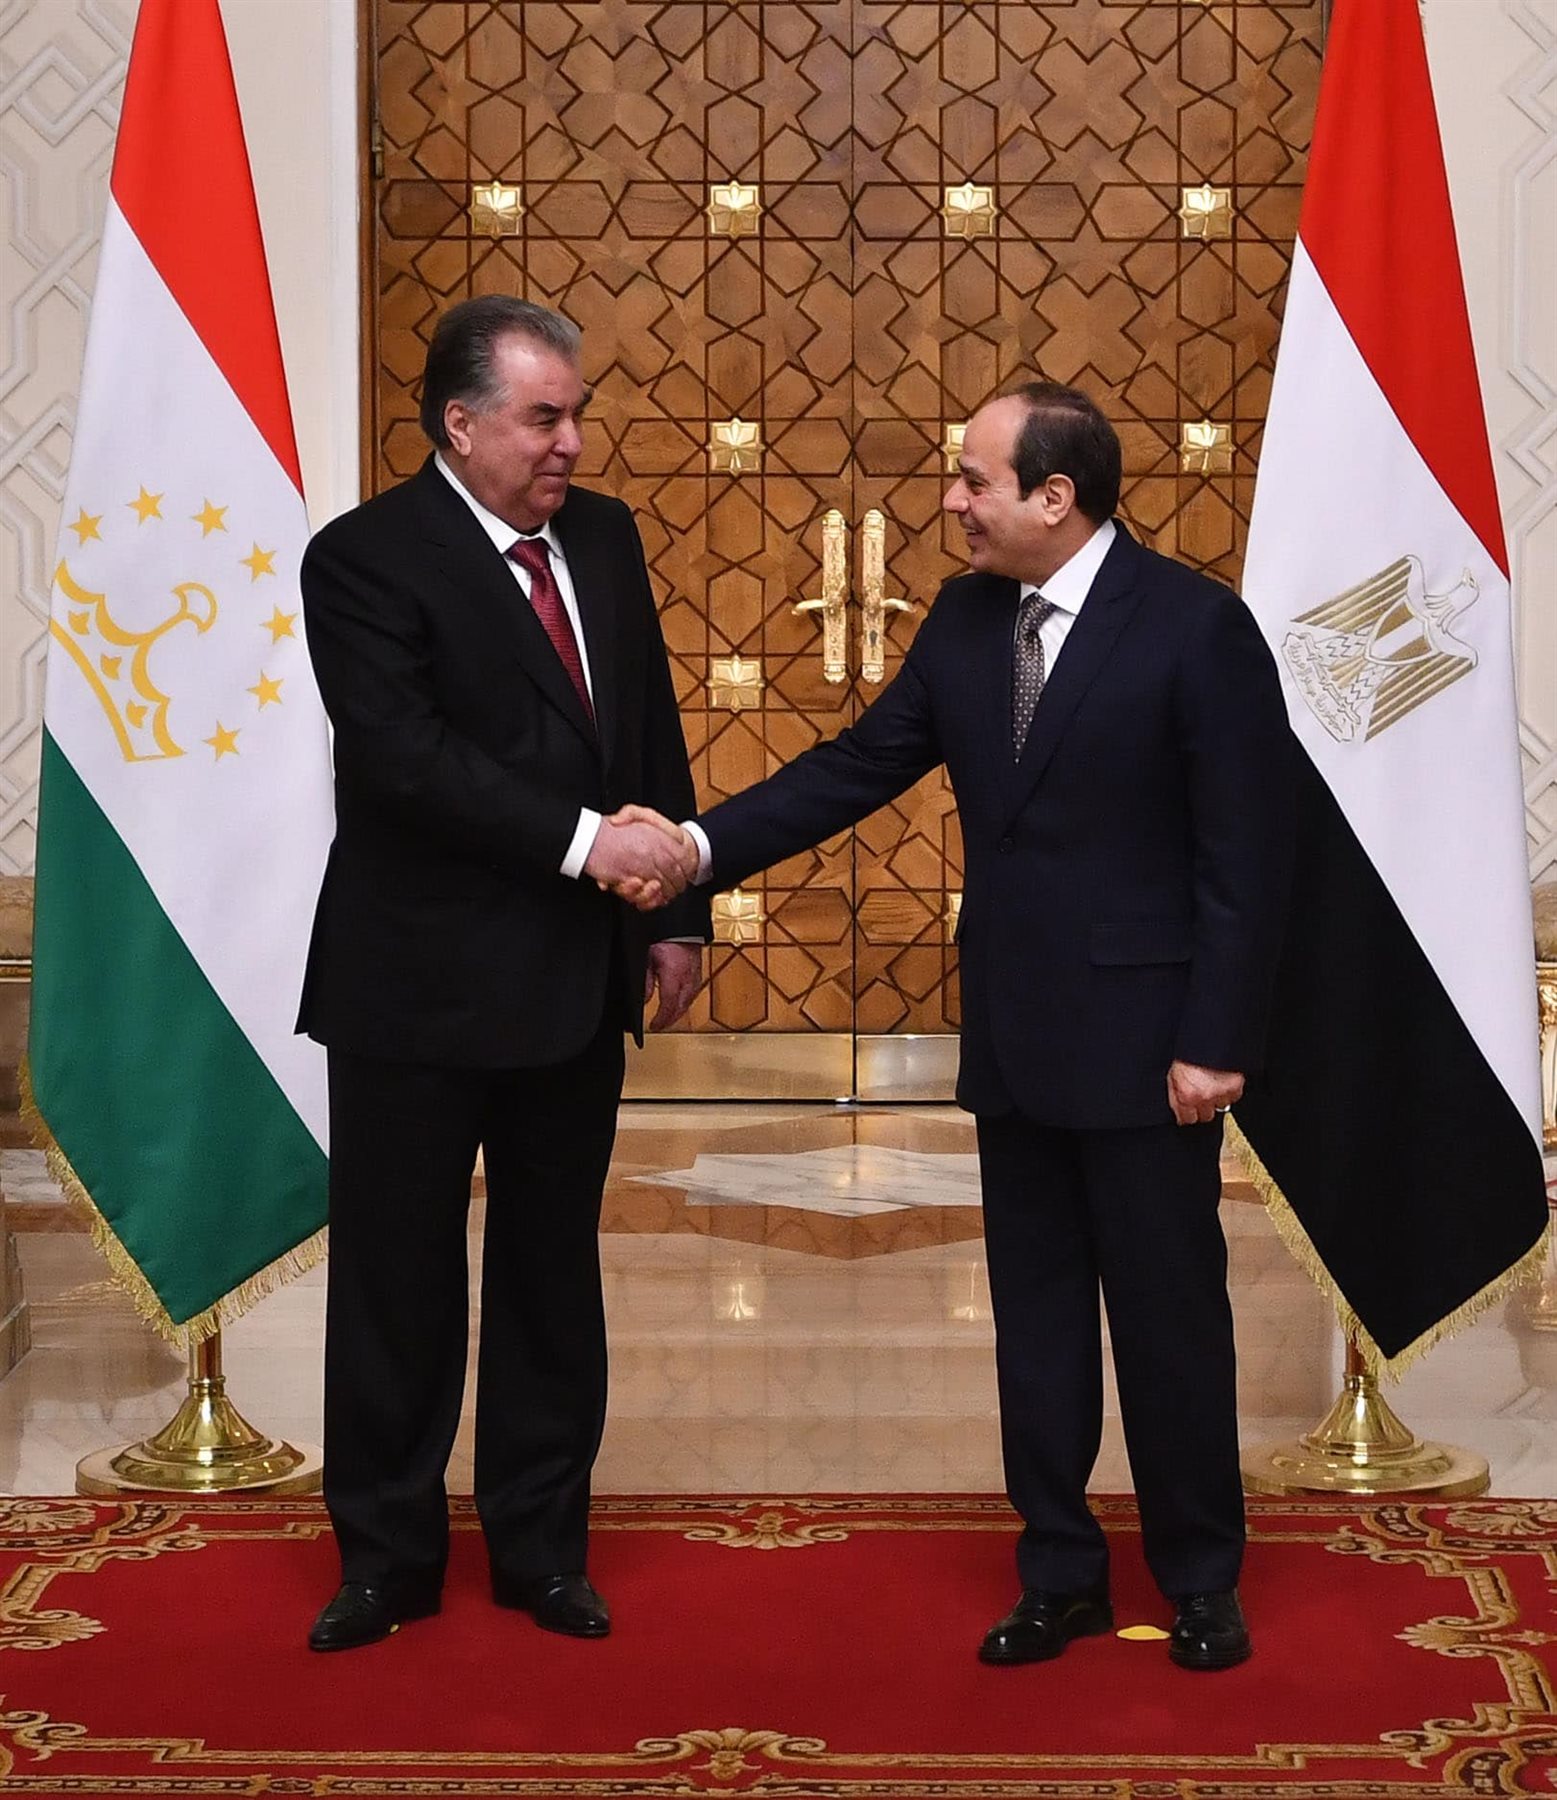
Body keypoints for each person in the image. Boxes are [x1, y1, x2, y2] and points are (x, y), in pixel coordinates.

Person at [611, 382, 1293, 1672]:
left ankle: (1202, 1579)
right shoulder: (970, 617)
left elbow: (1246, 857)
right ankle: (1059, 1575)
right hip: (1019, 1036)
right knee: (1034, 1321)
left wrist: (1218, 1039)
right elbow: (858, 767)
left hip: (1153, 1047)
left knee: (1169, 1322)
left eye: (976, 481)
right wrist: (695, 847)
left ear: (1055, 497)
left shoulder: (1197, 627)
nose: (951, 503)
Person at [296, 295, 708, 1653]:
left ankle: (541, 1549)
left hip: (570, 982)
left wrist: (675, 911)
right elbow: (403, 761)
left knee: (550, 1275)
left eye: (575, 415)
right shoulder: (362, 558)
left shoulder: (606, 537)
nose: (571, 443)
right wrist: (594, 846)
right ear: (460, 423)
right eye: (544, 418)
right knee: (397, 1281)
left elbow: (642, 721)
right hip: (413, 988)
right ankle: (386, 1559)